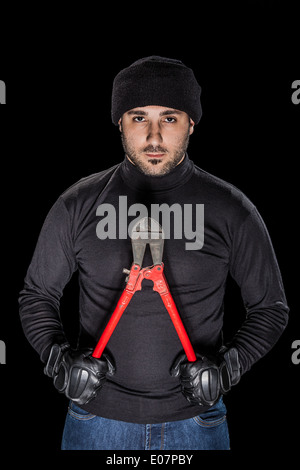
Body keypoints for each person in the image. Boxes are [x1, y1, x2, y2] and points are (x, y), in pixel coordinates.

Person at [19, 56, 289, 451]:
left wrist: (228, 368)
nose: (154, 136)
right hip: (95, 422)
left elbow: (271, 308)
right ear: (120, 123)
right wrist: (58, 359)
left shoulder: (232, 208)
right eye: (138, 117)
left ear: (192, 123)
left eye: (170, 118)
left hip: (197, 423)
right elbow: (36, 297)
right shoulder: (76, 204)